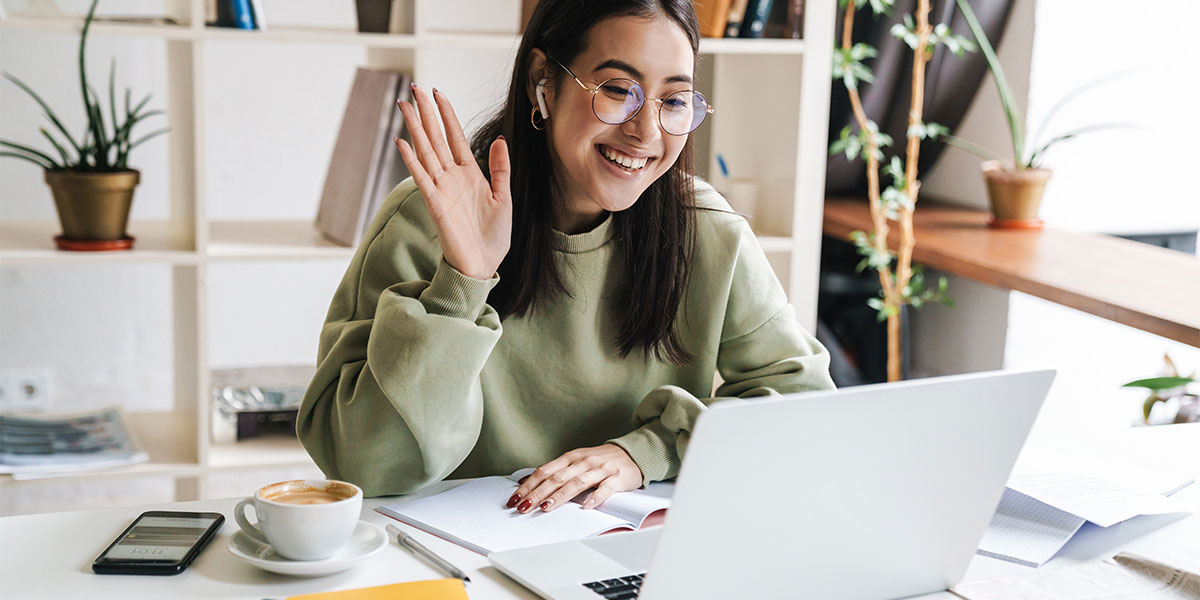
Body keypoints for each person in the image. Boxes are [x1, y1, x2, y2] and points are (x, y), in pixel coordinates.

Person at [297, 0, 834, 514]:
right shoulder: (430, 219)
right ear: (543, 83)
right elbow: (364, 466)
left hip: (633, 551)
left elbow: (805, 408)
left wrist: (648, 452)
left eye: (673, 101)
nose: (646, 132)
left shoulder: (707, 231)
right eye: (618, 90)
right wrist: (464, 281)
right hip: (456, 561)